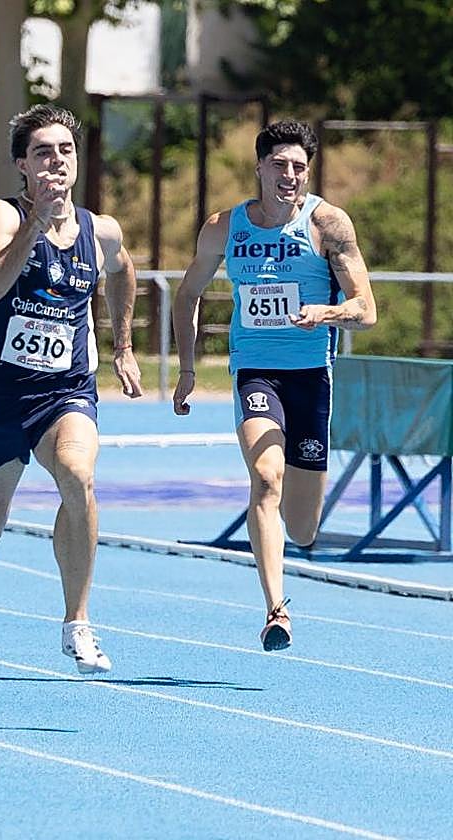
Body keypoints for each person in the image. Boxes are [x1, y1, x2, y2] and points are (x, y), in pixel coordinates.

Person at [0, 104, 143, 673]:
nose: (55, 161)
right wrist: (35, 223)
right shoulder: (3, 218)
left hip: (66, 393)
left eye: (65, 151)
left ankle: (77, 622)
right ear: (22, 166)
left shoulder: (100, 231)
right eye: (42, 152)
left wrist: (124, 345)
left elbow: (123, 272)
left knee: (78, 476)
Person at [172, 120, 376, 651]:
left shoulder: (328, 224)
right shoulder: (224, 227)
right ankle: (275, 610)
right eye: (280, 165)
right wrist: (188, 370)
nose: (290, 176)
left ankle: (285, 540)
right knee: (266, 476)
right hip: (255, 372)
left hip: (310, 378)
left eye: (299, 167)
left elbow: (366, 309)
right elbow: (187, 293)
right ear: (260, 167)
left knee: (303, 526)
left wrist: (328, 312)